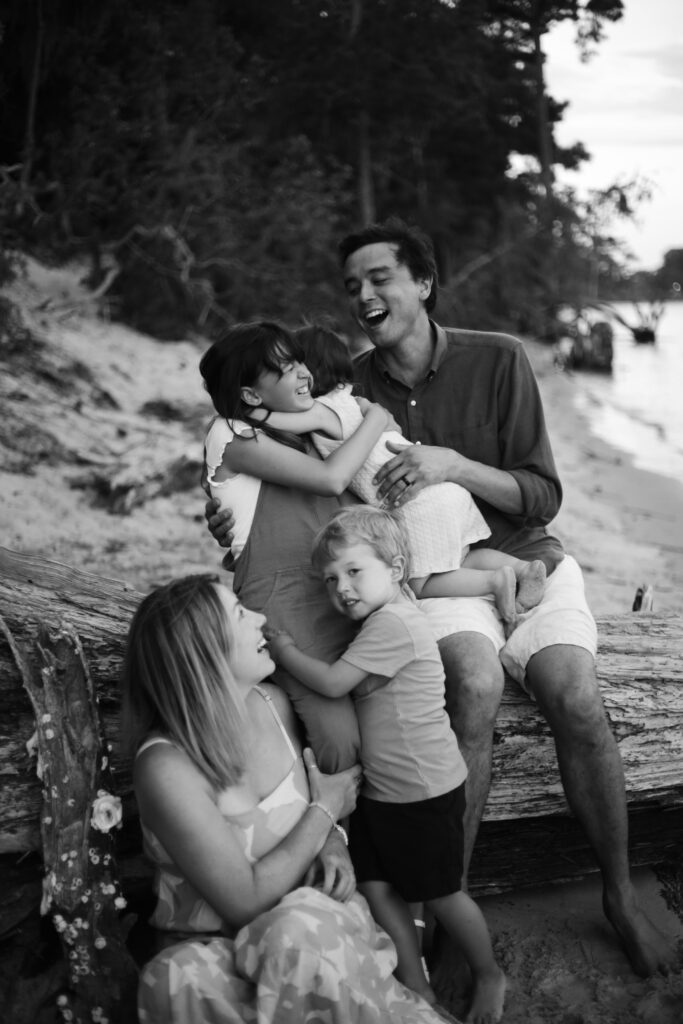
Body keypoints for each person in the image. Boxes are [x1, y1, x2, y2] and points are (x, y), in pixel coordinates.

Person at [205, 218, 671, 978]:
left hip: (522, 552)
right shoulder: (338, 380)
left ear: (422, 283)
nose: (364, 294)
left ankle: (618, 893)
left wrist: (454, 465)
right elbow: (299, 477)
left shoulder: (499, 359)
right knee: (474, 683)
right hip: (428, 577)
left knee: (574, 693)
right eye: (351, 284)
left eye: (380, 277)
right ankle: (450, 901)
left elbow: (541, 495)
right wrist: (231, 517)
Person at [122, 573, 456, 1024]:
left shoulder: (274, 703)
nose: (261, 619)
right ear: (204, 651)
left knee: (295, 929)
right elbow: (245, 899)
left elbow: (315, 805)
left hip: (315, 935)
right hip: (217, 950)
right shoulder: (166, 766)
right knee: (173, 977)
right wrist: (326, 814)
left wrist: (333, 839)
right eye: (241, 615)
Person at [269, 506, 506, 1023]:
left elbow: (333, 683)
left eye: (355, 571)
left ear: (396, 571)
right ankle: (416, 983)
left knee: (442, 894)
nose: (341, 588)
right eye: (331, 580)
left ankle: (488, 972)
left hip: (424, 790)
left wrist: (284, 651)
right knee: (376, 888)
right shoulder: (380, 619)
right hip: (384, 791)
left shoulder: (396, 621)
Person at [255, 322, 547, 631]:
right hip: (445, 489)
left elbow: (278, 422)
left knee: (418, 583)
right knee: (461, 558)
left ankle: (495, 581)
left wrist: (250, 409)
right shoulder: (355, 400)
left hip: (417, 505)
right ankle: (520, 568)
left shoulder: (319, 409)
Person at [199, 320, 397, 773]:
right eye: (286, 368)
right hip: (285, 606)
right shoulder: (229, 434)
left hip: (342, 592)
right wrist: (376, 419)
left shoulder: (308, 429)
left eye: (299, 361)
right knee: (339, 741)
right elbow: (331, 481)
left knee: (384, 729)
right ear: (250, 394)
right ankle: (326, 829)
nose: (303, 373)